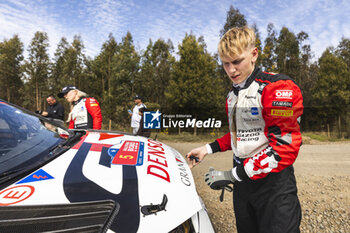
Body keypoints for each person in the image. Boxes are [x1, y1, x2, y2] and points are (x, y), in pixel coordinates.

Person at [186, 26, 303, 233]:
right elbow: (239, 135)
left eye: (237, 61)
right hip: (243, 187)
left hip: (273, 187)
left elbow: (283, 149)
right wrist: (207, 148)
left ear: (254, 54)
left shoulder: (277, 87)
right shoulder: (232, 95)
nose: (231, 70)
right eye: (226, 63)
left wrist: (232, 175)